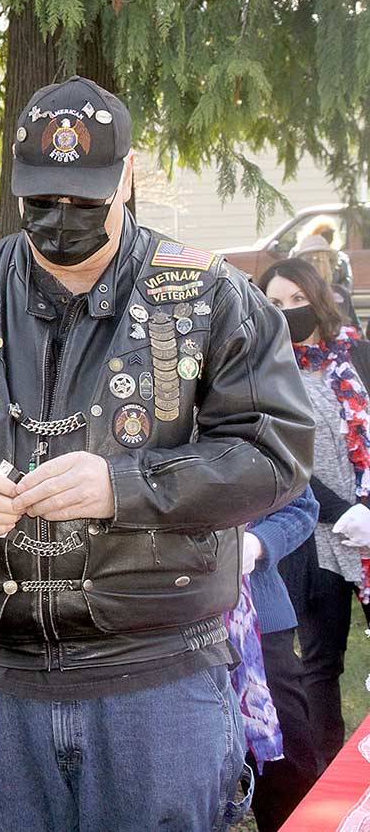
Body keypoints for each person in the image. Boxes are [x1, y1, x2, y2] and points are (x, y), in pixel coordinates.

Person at [0, 76, 314, 830]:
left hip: (157, 674)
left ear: (127, 176)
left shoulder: (212, 298)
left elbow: (275, 451)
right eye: (41, 200)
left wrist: (127, 486)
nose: (61, 219)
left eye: (86, 199)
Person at [259, 256, 370, 769]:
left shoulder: (359, 357)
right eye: (276, 303)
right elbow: (286, 459)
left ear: (319, 299)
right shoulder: (265, 375)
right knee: (320, 665)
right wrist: (346, 512)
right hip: (315, 538)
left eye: (298, 299)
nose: (289, 311)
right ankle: (327, 778)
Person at [239, 487, 321, 831]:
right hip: (159, 633)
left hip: (260, 624)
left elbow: (302, 507)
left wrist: (256, 544)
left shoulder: (258, 444)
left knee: (288, 770)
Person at [296, 233, 358, 327]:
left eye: (319, 260)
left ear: (329, 264)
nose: (313, 265)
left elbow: (356, 328)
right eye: (308, 260)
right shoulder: (296, 295)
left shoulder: (341, 293)